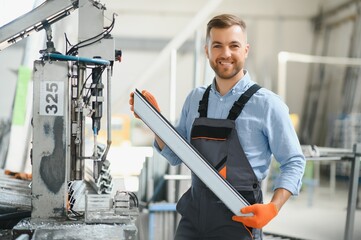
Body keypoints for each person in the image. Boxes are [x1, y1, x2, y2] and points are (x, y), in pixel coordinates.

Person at [130, 13, 306, 240]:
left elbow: (293, 161)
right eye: (217, 46)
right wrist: (155, 121)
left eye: (234, 45)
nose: (225, 53)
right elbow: (175, 155)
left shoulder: (268, 104)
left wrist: (273, 207)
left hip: (239, 217)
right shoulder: (195, 99)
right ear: (207, 51)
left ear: (246, 50)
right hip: (193, 216)